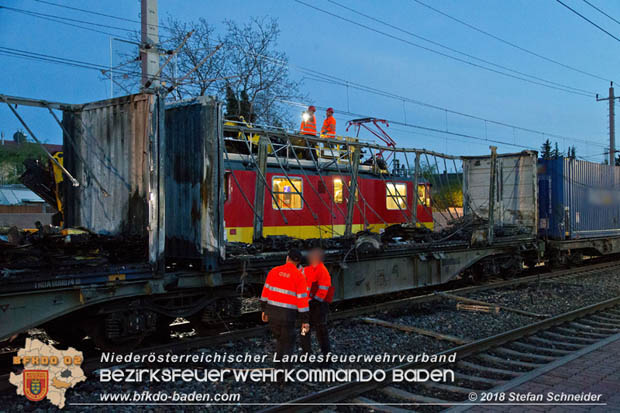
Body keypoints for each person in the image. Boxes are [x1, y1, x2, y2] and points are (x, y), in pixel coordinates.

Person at [261, 249, 310, 361]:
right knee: (287, 345)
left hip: (272, 314)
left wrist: (264, 310)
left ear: (287, 258)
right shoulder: (299, 277)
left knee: (280, 342)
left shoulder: (274, 271)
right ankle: (284, 375)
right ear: (298, 262)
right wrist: (305, 321)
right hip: (287, 316)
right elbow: (302, 301)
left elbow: (265, 293)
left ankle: (279, 373)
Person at [300, 247, 334, 357]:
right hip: (310, 304)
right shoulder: (307, 269)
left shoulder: (320, 270)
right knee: (306, 330)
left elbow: (324, 288)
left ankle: (326, 357)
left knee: (320, 331)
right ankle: (307, 353)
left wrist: (316, 301)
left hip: (318, 305)